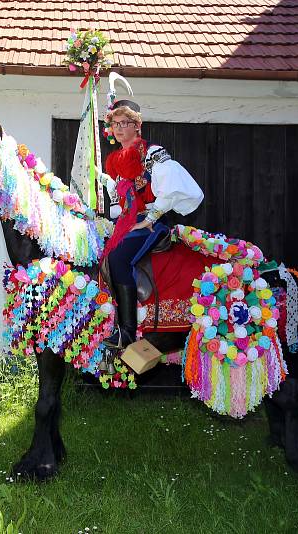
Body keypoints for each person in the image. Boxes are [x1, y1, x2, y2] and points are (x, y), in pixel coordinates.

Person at [100, 100, 204, 348]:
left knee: (118, 259)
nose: (119, 128)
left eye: (125, 123)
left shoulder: (150, 152)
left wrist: (150, 218)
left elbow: (171, 185)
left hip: (151, 221)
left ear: (137, 126)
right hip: (126, 222)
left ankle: (126, 332)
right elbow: (118, 200)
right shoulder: (114, 160)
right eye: (115, 124)